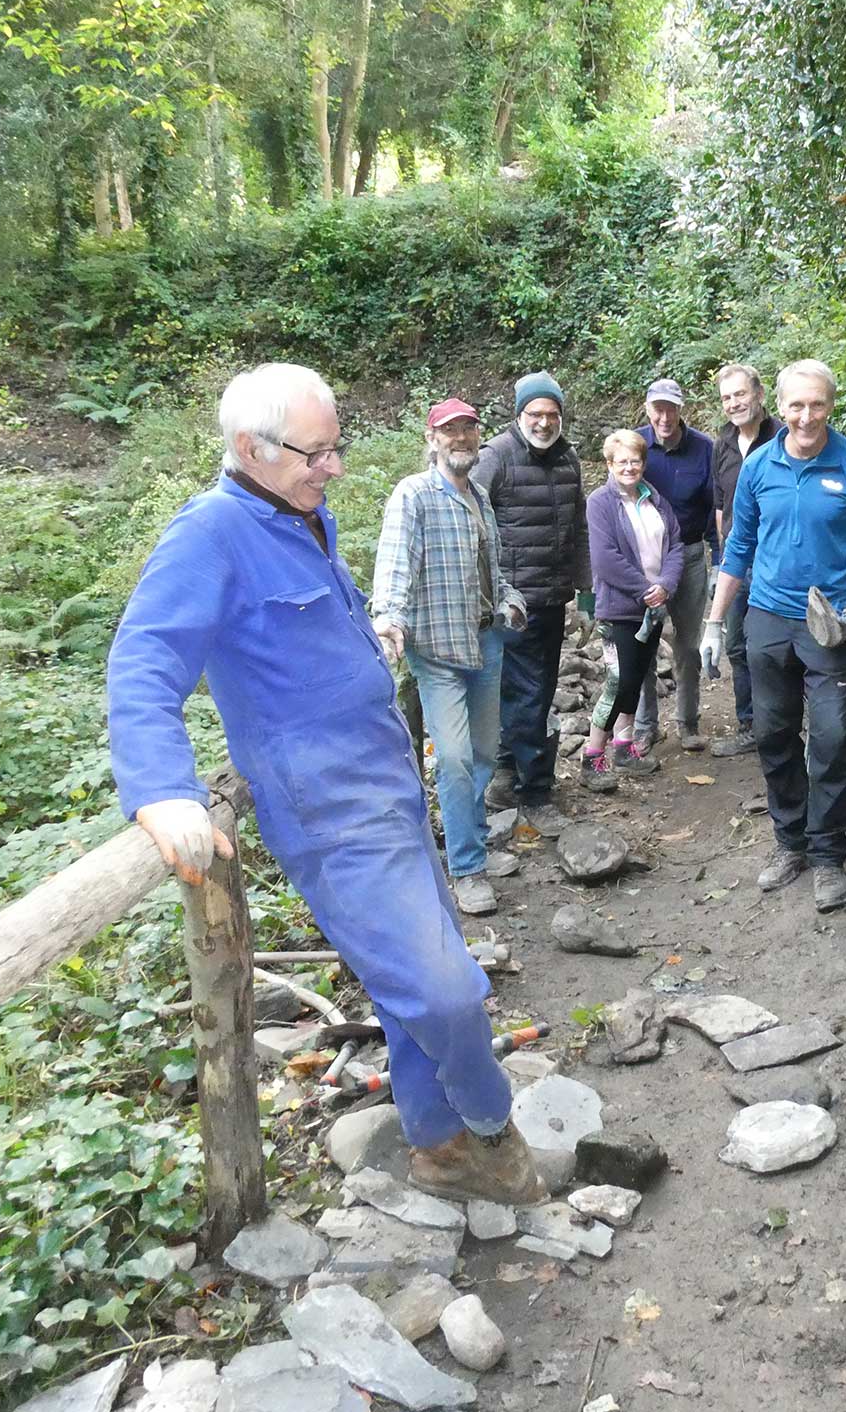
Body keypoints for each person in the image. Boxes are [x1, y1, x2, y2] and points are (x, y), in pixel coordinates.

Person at [107, 363, 544, 1206]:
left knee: (411, 974)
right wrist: (162, 789)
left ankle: (436, 1143)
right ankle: (489, 1124)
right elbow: (143, 657)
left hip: (387, 788)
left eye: (335, 448)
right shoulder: (212, 535)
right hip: (333, 815)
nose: (334, 466)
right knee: (445, 988)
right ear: (249, 448)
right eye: (319, 452)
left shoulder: (295, 513)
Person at [699, 359, 846, 913]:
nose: (807, 416)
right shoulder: (758, 467)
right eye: (797, 405)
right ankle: (790, 843)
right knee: (774, 734)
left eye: (818, 405)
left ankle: (828, 854)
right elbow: (738, 548)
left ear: (832, 405)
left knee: (830, 741)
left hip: (831, 624)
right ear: (778, 407)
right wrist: (714, 622)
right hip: (767, 617)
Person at [372, 398, 526, 917]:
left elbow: (497, 574)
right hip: (436, 649)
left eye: (469, 428)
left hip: (486, 641)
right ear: (432, 438)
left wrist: (511, 603)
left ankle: (474, 840)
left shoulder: (481, 497)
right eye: (450, 430)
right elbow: (394, 564)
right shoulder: (413, 495)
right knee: (456, 758)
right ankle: (466, 868)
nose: (461, 438)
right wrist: (388, 616)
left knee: (484, 753)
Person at [473, 372, 590, 835]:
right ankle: (536, 792)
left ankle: (505, 776)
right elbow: (471, 523)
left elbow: (579, 528)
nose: (544, 422)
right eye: (535, 414)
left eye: (551, 414)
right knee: (529, 694)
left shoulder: (569, 460)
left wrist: (585, 591)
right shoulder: (496, 458)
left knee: (529, 691)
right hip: (511, 603)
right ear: (519, 416)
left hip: (552, 598)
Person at [580, 430, 685, 791]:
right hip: (619, 609)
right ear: (609, 464)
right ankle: (593, 755)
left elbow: (675, 545)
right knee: (618, 682)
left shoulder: (654, 499)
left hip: (652, 609)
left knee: (639, 679)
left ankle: (624, 747)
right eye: (621, 461)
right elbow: (605, 559)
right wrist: (647, 590)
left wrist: (666, 585)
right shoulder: (600, 503)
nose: (629, 467)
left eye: (635, 460)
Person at [631, 378, 715, 754]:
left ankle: (688, 721)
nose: (664, 417)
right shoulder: (633, 445)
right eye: (657, 408)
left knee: (688, 644)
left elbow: (715, 506)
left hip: (691, 553)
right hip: (646, 558)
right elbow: (617, 500)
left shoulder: (703, 449)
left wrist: (720, 555)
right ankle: (646, 726)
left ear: (682, 409)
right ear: (647, 409)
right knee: (644, 642)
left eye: (671, 408)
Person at [708, 362, 778, 758]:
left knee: (775, 646)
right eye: (727, 398)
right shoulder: (724, 442)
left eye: (740, 394)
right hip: (736, 560)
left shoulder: (783, 437)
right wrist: (721, 559)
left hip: (774, 561)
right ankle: (750, 725)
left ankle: (783, 724)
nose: (734, 403)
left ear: (759, 394)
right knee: (736, 645)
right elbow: (721, 505)